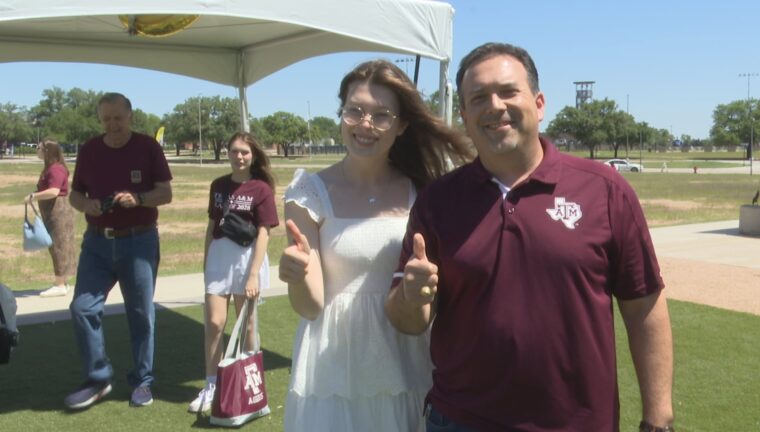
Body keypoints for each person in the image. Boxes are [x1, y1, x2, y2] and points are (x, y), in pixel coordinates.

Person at [385, 43, 675, 432]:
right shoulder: (438, 201)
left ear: (539, 104)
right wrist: (411, 296)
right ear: (466, 118)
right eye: (478, 98)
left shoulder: (604, 190)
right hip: (461, 420)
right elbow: (409, 321)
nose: (494, 105)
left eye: (508, 91)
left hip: (579, 423)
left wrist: (658, 418)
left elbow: (644, 307)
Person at [278, 60, 472, 431]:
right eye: (355, 110)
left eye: (382, 115)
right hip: (333, 366)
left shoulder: (425, 192)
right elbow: (311, 304)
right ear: (341, 114)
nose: (365, 124)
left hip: (406, 357)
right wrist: (297, 274)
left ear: (401, 126)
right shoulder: (308, 193)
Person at [65, 92, 173, 410]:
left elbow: (165, 193)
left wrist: (137, 199)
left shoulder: (147, 147)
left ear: (130, 117)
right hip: (97, 242)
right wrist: (87, 204)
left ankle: (142, 381)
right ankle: (98, 378)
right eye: (106, 118)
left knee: (141, 314)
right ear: (100, 119)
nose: (113, 124)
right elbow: (75, 195)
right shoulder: (89, 151)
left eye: (118, 118)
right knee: (83, 308)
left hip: (138, 241)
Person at [187, 132, 279, 413]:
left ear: (253, 155)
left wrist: (253, 274)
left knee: (247, 324)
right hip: (219, 257)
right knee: (214, 323)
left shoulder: (261, 188)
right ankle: (212, 384)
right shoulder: (219, 185)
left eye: (245, 152)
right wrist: (206, 261)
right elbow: (212, 224)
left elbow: (264, 233)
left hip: (247, 259)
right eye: (234, 151)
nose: (239, 156)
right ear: (227, 153)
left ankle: (251, 383)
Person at [24, 139, 76, 297]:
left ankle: (60, 284)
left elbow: (54, 191)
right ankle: (63, 282)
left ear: (47, 151)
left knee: (59, 245)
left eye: (39, 148)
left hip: (58, 211)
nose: (37, 150)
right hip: (51, 211)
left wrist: (33, 196)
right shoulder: (51, 168)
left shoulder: (56, 169)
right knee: (57, 245)